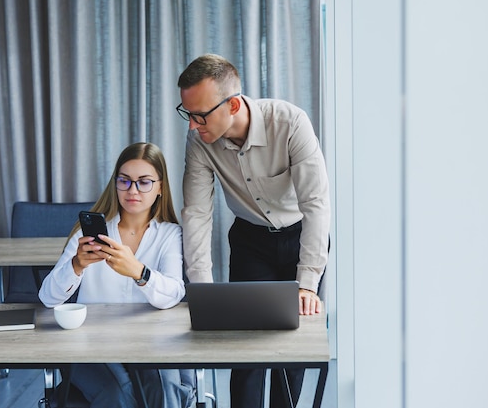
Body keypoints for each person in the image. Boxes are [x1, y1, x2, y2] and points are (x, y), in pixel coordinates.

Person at [176, 54, 330, 408]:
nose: (192, 126)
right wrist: (201, 289)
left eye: (199, 115)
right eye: (188, 114)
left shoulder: (290, 123)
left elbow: (316, 204)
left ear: (232, 104)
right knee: (244, 349)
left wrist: (307, 282)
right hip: (250, 241)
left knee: (290, 350)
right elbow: (197, 212)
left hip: (299, 236)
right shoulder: (199, 141)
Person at [39, 142, 194, 408]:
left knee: (164, 387)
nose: (132, 190)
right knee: (118, 392)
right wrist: (76, 265)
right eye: (125, 181)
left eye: (144, 182)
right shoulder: (86, 234)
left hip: (151, 340)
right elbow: (47, 298)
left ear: (160, 187)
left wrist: (139, 272)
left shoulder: (170, 234)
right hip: (93, 342)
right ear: (116, 184)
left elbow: (173, 294)